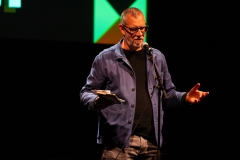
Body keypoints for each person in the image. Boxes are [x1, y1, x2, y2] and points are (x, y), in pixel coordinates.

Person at [80, 7, 209, 160]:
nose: (140, 34)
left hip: (152, 143)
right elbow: (86, 92)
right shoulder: (106, 58)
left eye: (143, 28)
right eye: (134, 29)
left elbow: (169, 95)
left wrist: (185, 97)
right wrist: (95, 101)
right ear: (122, 28)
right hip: (119, 143)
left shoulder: (157, 58)